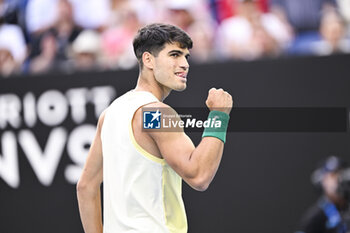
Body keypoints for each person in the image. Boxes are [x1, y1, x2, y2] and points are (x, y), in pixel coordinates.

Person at [76, 23, 233, 233]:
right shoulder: (156, 113)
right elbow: (199, 175)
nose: (185, 64)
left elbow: (85, 187)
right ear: (148, 60)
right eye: (175, 55)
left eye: (186, 56)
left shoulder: (109, 114)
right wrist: (219, 115)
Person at [295, 156, 350, 233]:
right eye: (333, 175)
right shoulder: (315, 219)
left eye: (341, 173)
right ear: (322, 181)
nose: (338, 179)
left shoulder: (346, 208)